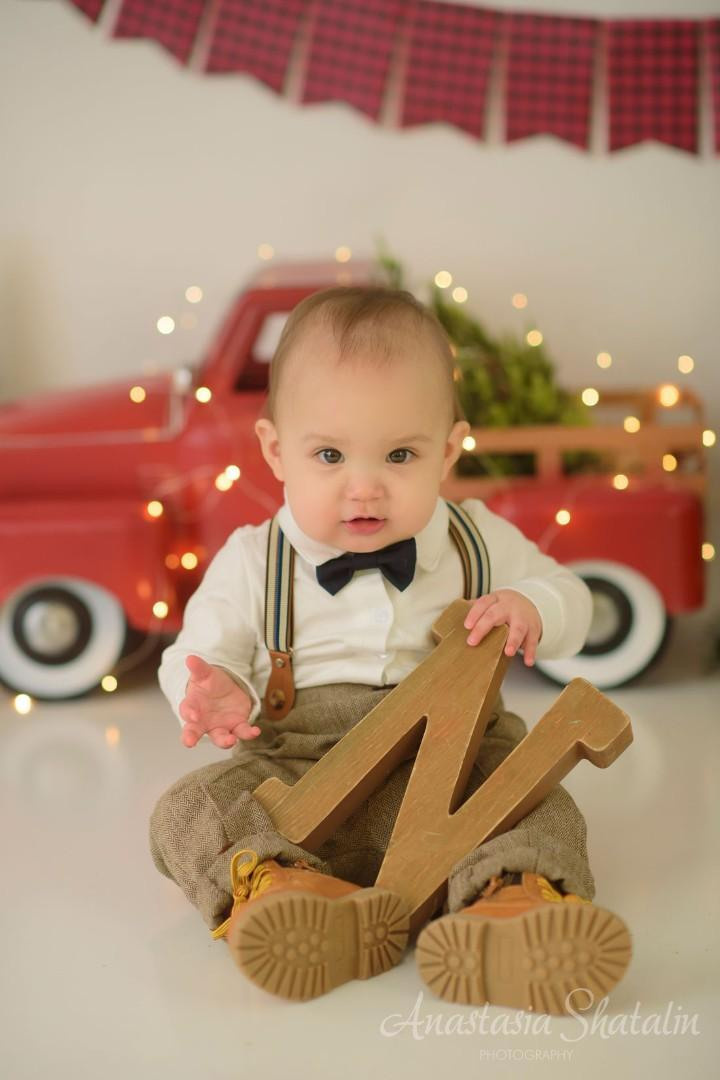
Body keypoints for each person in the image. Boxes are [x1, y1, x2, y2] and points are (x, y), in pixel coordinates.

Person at [149, 285, 631, 1010]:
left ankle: (511, 906)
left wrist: (535, 606)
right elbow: (197, 652)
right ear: (276, 450)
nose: (365, 488)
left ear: (449, 451)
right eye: (330, 454)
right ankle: (285, 891)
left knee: (544, 808)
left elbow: (574, 597)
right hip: (304, 769)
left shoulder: (478, 539)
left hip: (460, 769)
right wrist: (218, 688)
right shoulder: (254, 559)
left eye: (400, 454)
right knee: (189, 808)